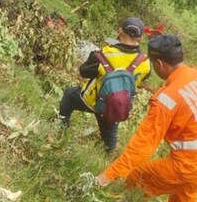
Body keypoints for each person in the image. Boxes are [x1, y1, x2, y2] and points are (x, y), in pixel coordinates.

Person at [96, 34, 197, 202]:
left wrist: (108, 175)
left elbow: (143, 144)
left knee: (137, 179)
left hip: (192, 168)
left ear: (159, 64)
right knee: (184, 192)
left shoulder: (167, 100)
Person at [58, 17, 151, 154]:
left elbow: (84, 72)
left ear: (119, 30)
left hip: (91, 101)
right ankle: (109, 152)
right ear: (140, 38)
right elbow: (144, 76)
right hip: (115, 107)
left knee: (69, 95)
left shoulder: (103, 54)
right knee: (109, 141)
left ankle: (61, 126)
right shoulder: (144, 62)